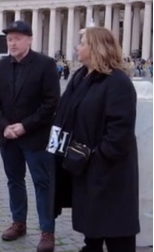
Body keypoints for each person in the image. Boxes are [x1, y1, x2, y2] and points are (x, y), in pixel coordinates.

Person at [51, 27, 139, 252]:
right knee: (92, 227)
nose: (77, 47)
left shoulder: (118, 82)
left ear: (96, 48)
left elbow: (120, 131)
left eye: (82, 43)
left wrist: (97, 157)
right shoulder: (79, 77)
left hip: (109, 171)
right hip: (83, 165)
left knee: (116, 230)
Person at [0, 20, 60, 252]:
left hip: (36, 137)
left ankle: (47, 232)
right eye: (9, 39)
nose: (12, 43)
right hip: (8, 137)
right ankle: (19, 223)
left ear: (29, 39)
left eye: (17, 38)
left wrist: (25, 126)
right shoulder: (1, 66)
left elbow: (51, 103)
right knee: (14, 181)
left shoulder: (46, 65)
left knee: (42, 183)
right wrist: (5, 125)